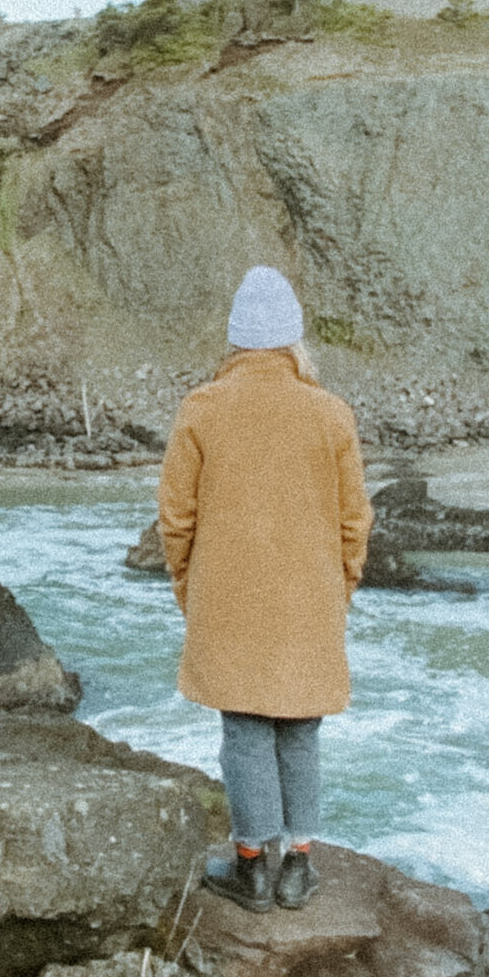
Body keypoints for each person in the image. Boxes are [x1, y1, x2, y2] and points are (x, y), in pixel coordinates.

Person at [155, 265, 371, 910]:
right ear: (294, 340)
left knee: (244, 731)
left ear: (236, 339)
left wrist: (192, 592)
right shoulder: (331, 414)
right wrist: (339, 592)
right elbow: (354, 522)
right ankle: (299, 870)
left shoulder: (202, 408)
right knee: (300, 732)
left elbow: (175, 520)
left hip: (227, 597)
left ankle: (251, 867)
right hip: (311, 599)